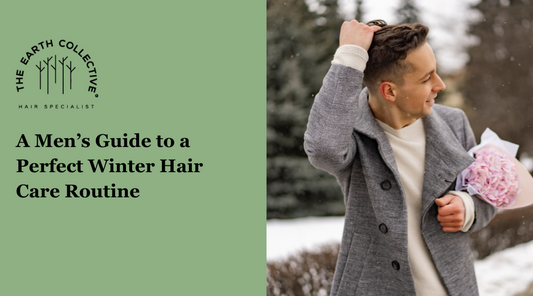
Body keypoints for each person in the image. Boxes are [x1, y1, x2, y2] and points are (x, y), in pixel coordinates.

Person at [303, 20, 497, 296]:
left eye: (437, 72)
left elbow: (487, 193)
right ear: (389, 91)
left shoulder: (455, 123)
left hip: (455, 287)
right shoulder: (352, 136)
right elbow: (322, 149)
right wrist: (349, 56)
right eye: (426, 77)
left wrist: (469, 208)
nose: (439, 85)